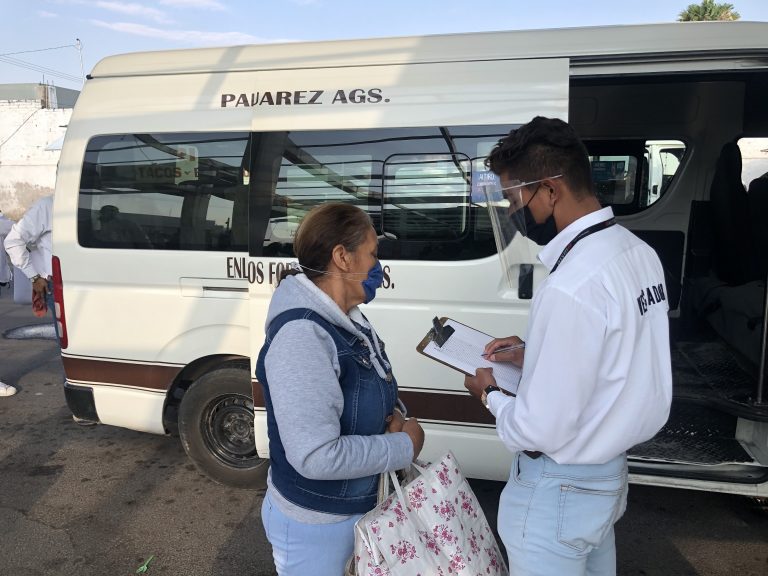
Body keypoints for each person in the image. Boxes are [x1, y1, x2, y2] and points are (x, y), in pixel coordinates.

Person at [464, 116, 673, 576]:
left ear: (551, 189)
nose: (516, 212)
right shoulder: (638, 254)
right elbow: (616, 351)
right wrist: (537, 350)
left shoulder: (571, 284)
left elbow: (538, 429)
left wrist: (488, 393)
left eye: (516, 198)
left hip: (555, 492)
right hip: (608, 480)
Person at [255, 202, 424, 576]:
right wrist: (404, 446)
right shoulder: (303, 336)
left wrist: (391, 419)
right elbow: (316, 456)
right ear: (342, 258)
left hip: (349, 516)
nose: (378, 267)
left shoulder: (346, 321)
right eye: (373, 254)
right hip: (318, 529)